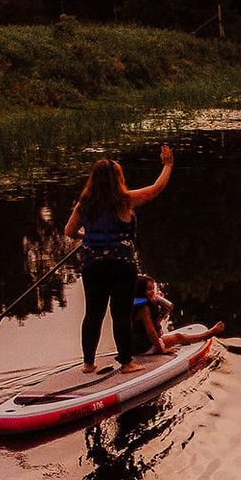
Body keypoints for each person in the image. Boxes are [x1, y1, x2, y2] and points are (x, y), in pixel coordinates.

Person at [64, 145, 173, 373]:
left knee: (93, 312)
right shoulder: (124, 200)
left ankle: (88, 363)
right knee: (120, 312)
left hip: (92, 265)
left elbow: (69, 231)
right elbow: (156, 189)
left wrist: (89, 236)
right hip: (121, 266)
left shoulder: (84, 203)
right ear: (117, 179)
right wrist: (168, 165)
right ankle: (126, 362)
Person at [132, 274, 225, 355]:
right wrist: (162, 349)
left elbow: (156, 323)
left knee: (176, 337)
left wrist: (162, 308)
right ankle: (207, 335)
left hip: (139, 344)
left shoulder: (144, 304)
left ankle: (186, 340)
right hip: (143, 346)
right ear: (140, 291)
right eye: (149, 289)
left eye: (153, 288)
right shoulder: (144, 308)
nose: (153, 292)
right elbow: (151, 332)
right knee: (179, 337)